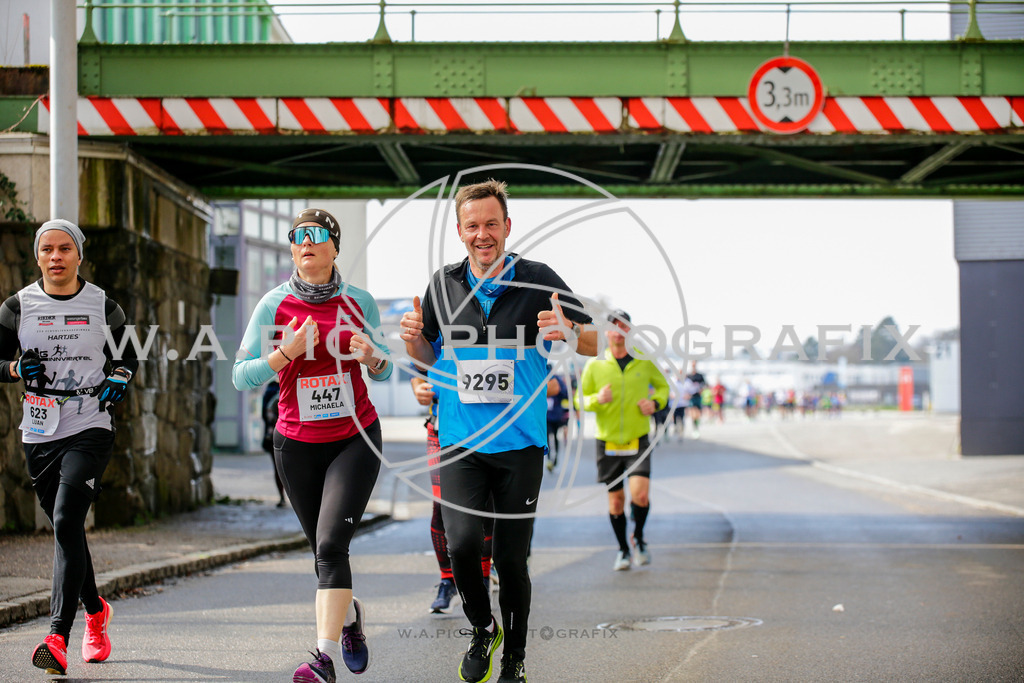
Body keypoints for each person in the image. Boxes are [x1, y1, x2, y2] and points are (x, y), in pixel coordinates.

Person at [400, 179, 597, 683]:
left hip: (520, 445)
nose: (482, 234)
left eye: (491, 224)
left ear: (507, 227)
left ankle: (515, 658)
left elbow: (594, 339)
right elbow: (427, 354)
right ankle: (482, 628)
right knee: (462, 545)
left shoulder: (538, 279)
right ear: (460, 231)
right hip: (460, 441)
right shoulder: (442, 284)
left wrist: (570, 332)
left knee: (512, 561)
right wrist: (411, 347)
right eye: (473, 226)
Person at [233, 208, 392, 683]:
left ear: (334, 248)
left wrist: (373, 357)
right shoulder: (273, 305)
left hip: (355, 439)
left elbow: (383, 367)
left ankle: (321, 660)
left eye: (317, 235)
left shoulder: (360, 301)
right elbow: (241, 376)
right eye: (298, 236)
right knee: (326, 553)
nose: (306, 242)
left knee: (329, 543)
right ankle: (349, 621)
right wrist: (287, 353)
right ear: (292, 250)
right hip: (296, 444)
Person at [0, 219, 137, 675]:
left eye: (64, 249)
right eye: (47, 250)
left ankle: (57, 636)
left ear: (79, 255)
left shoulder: (104, 305)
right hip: (39, 429)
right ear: (37, 256)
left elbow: (127, 355)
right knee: (68, 529)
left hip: (89, 422)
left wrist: (120, 375)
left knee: (64, 518)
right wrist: (17, 368)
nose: (55, 257)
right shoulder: (17, 307)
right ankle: (96, 612)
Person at [578, 309, 669, 571]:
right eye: (613, 326)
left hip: (637, 438)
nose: (618, 332)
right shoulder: (595, 365)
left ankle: (639, 537)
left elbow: (664, 387)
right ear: (606, 331)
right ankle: (623, 550)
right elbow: (578, 400)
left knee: (640, 496)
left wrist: (655, 402)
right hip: (607, 442)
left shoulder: (644, 361)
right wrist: (597, 399)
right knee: (616, 501)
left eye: (624, 326)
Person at [410, 372, 496, 615]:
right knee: (441, 505)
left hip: (484, 428)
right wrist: (418, 387)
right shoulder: (438, 333)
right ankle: (447, 580)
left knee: (485, 505)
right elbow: (416, 370)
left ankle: (485, 577)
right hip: (442, 431)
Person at [260, 380, 287, 507]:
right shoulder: (292, 384)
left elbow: (264, 415)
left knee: (278, 468)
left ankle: (282, 497)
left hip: (273, 435)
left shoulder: (269, 391)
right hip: (293, 433)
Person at [544, 365, 570, 472]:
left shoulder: (556, 380)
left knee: (554, 438)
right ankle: (550, 459)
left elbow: (565, 394)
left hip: (556, 416)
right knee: (548, 439)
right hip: (546, 416)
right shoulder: (541, 378)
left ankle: (555, 458)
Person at [685, 361, 707, 439]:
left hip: (698, 396)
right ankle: (695, 428)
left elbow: (704, 385)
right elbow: (685, 386)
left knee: (698, 413)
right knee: (693, 412)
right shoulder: (688, 376)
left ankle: (696, 425)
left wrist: (701, 390)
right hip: (691, 397)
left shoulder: (700, 376)